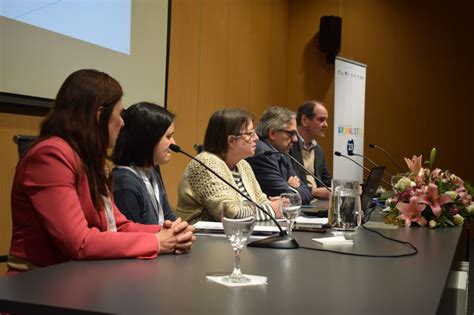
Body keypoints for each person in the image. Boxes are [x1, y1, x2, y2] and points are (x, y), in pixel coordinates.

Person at [7, 69, 195, 274]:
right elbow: (79, 242)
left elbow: (118, 225)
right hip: (39, 288)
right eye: (119, 114)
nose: (123, 123)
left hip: (82, 280)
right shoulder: (50, 156)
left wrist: (169, 232)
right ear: (99, 114)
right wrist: (156, 242)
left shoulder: (90, 160)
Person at [176, 108, 282, 224]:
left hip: (235, 235)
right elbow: (230, 214)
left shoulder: (243, 165)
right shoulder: (207, 163)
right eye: (250, 133)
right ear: (231, 141)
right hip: (201, 238)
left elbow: (260, 201)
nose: (256, 138)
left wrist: (277, 204)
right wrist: (272, 209)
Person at [112, 102, 177, 225]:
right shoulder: (124, 183)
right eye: (168, 137)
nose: (173, 143)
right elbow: (131, 238)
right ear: (148, 139)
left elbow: (169, 218)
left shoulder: (152, 173)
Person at [246, 106, 312, 205]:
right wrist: (292, 188)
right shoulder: (262, 153)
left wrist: (291, 188)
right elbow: (283, 194)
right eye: (291, 133)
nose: (295, 140)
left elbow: (307, 192)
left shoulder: (281, 152)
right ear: (272, 133)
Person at [289, 100, 332, 200]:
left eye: (326, 120)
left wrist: (346, 188)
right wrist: (313, 192)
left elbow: (326, 180)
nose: (326, 125)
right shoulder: (289, 145)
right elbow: (288, 181)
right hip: (300, 201)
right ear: (304, 120)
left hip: (318, 203)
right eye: (321, 120)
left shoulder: (318, 150)